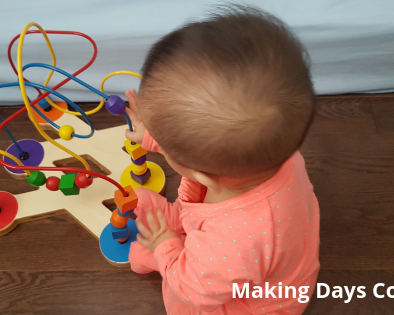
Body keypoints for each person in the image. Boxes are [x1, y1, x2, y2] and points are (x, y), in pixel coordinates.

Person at [124, 5, 320, 314]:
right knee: (153, 205)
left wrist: (164, 245)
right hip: (248, 257)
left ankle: (168, 251)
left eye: (161, 137)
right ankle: (177, 238)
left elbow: (195, 288)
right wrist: (151, 136)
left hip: (249, 303)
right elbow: (201, 144)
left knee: (185, 300)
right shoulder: (271, 150)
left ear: (203, 177)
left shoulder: (236, 241)